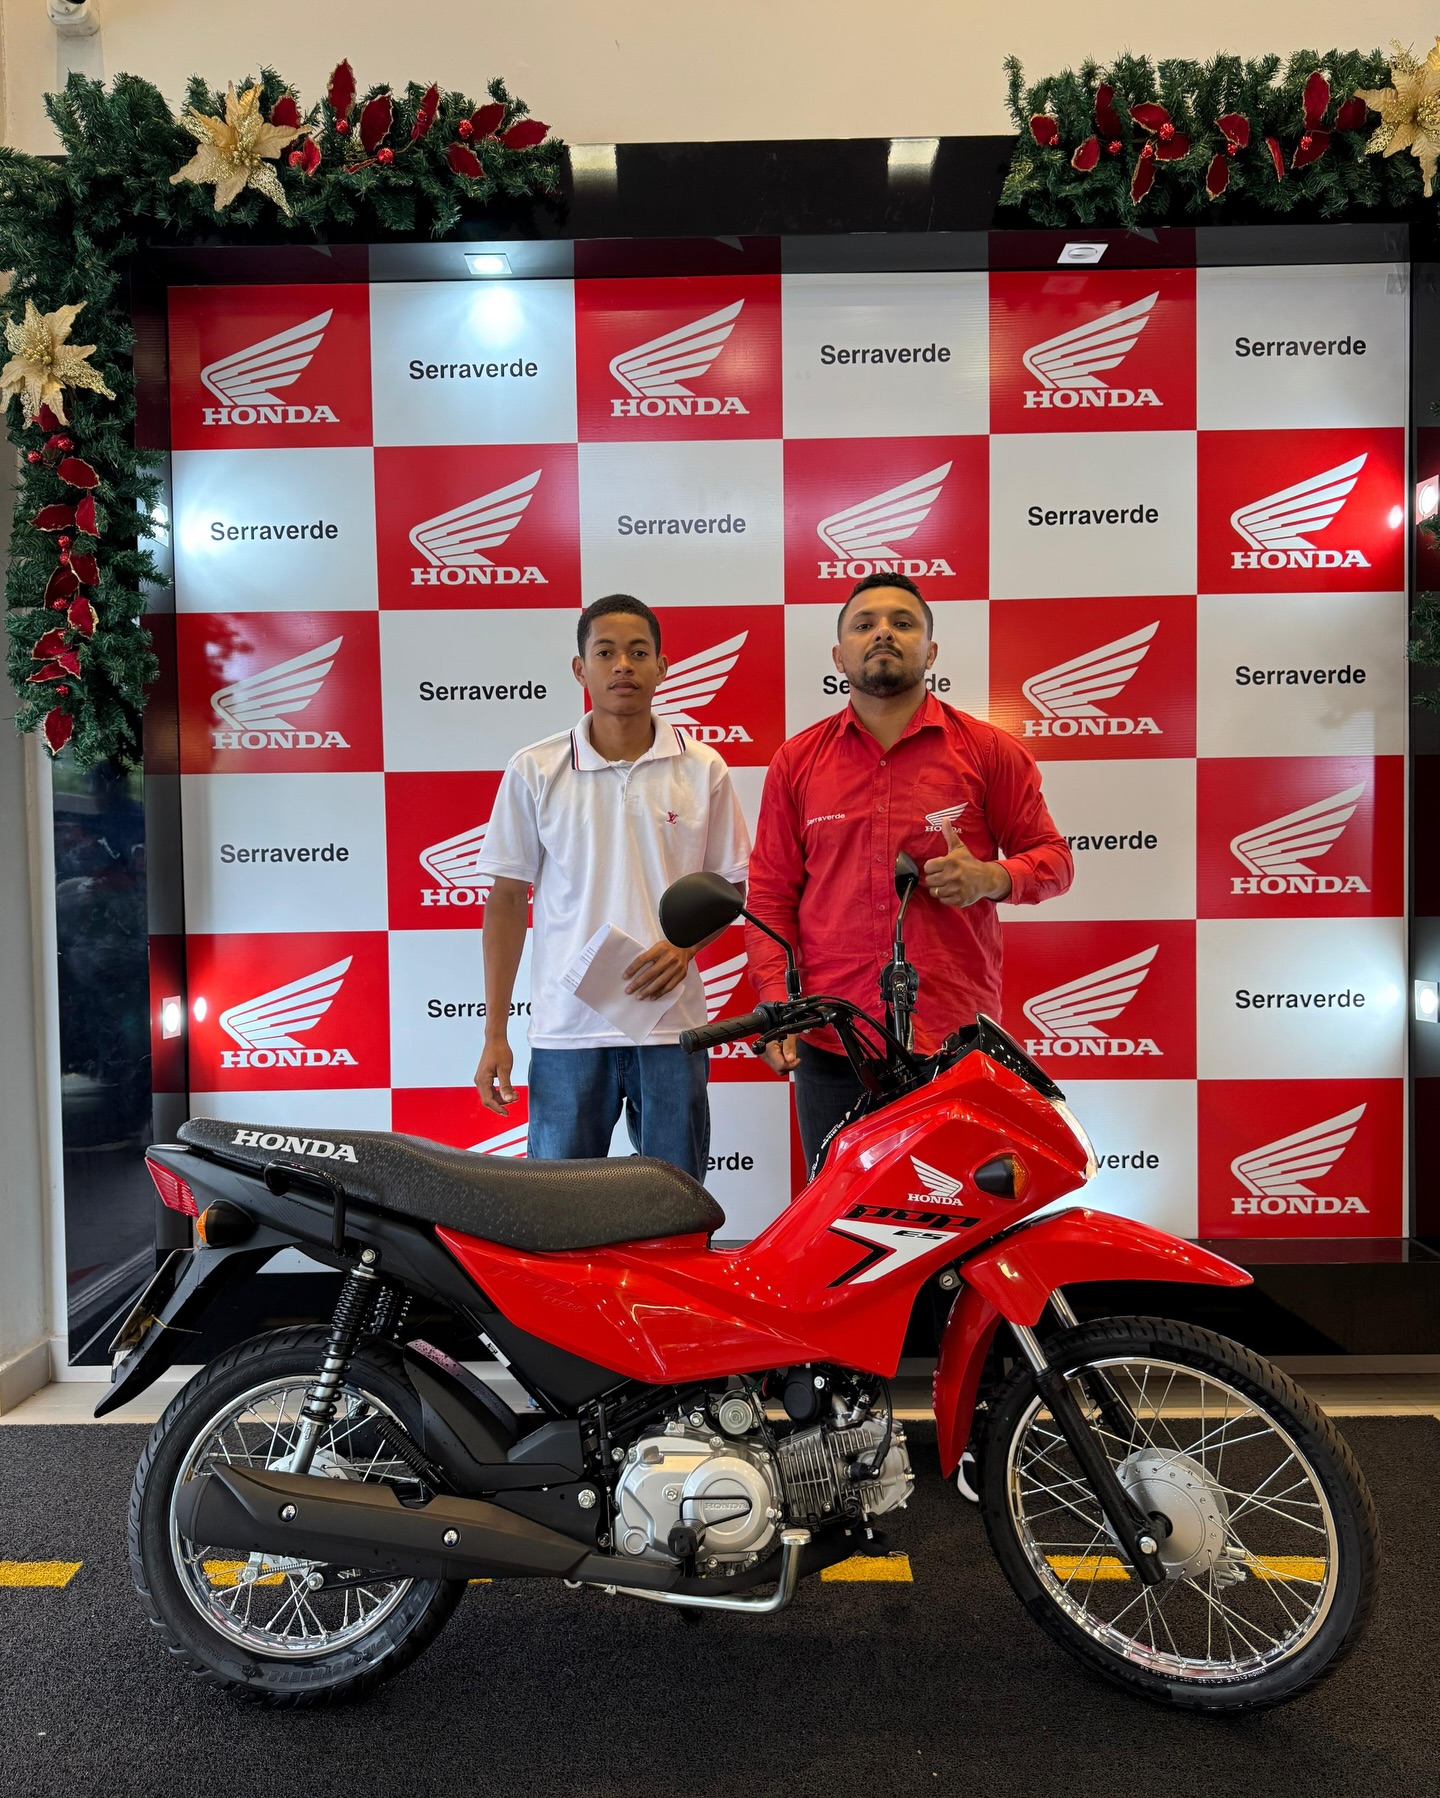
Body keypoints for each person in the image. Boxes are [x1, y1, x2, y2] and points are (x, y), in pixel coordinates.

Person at [745, 572, 1073, 1172]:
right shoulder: (797, 761)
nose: (883, 634)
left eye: (902, 623)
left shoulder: (988, 752)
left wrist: (991, 878)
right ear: (839, 655)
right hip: (832, 1038)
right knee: (838, 1214)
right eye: (864, 624)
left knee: (957, 1212)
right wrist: (776, 1004)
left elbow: (1054, 860)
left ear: (931, 650)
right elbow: (769, 898)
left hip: (953, 1038)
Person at [473, 594, 751, 1183]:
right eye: (605, 653)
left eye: (638, 652)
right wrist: (495, 1033)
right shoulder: (535, 768)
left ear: (662, 667)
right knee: (560, 1214)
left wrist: (685, 949)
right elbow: (506, 901)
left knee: (675, 1206)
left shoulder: (703, 768)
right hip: (567, 1031)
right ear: (581, 669)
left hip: (671, 1026)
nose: (623, 665)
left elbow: (731, 886)